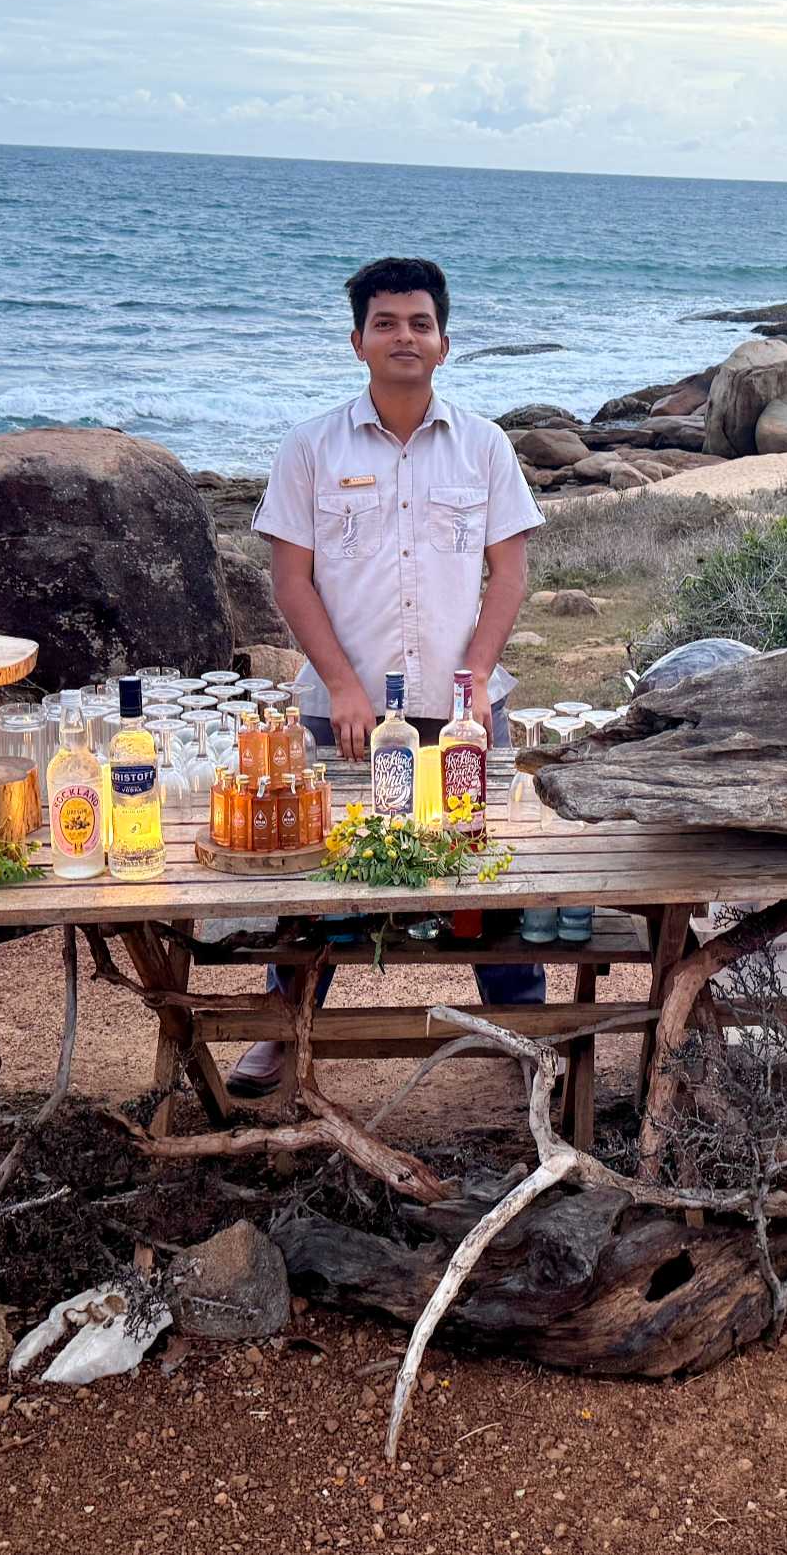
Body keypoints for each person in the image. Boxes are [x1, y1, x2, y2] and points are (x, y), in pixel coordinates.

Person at [232, 255, 544, 1098]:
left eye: (419, 323)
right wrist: (340, 685)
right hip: (345, 707)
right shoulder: (311, 449)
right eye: (385, 323)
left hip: (465, 710)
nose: (403, 336)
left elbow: (508, 574)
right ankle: (282, 1030)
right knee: (318, 877)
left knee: (487, 880)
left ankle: (523, 1037)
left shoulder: (485, 447)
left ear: (443, 343)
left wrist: (475, 677)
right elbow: (290, 580)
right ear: (357, 341)